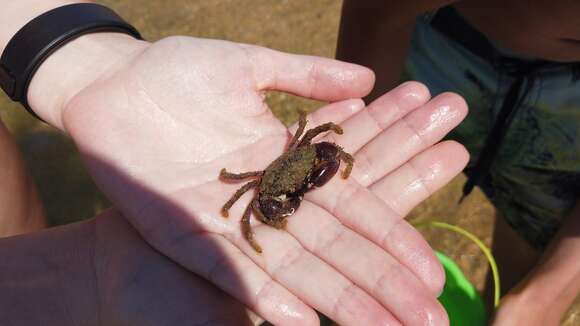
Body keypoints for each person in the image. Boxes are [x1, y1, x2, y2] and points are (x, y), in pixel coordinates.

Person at [0, 1, 471, 324]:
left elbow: (321, 139)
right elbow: (247, 194)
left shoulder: (306, 149)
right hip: (266, 179)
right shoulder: (261, 190)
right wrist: (255, 213)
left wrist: (83, 59)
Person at [337, 1, 580, 324]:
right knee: (365, 223)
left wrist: (541, 298)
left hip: (568, 106)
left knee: (527, 249)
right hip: (437, 43)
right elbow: (377, 10)